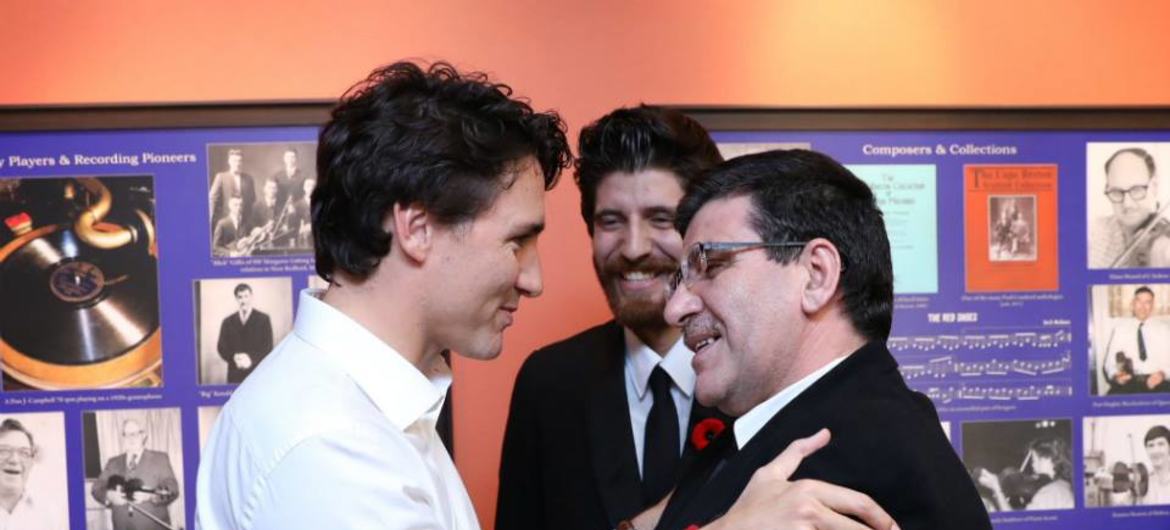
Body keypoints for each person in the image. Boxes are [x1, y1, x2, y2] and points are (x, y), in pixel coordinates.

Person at [196, 61, 896, 530]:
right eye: (516, 241)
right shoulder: (328, 446)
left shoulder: (372, 414)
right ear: (415, 228)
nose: (534, 277)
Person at [657, 149, 991, 530]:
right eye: (679, 279)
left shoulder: (850, 469)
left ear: (816, 275)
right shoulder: (798, 436)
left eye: (708, 263)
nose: (675, 308)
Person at [497, 105, 726, 530]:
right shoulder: (549, 384)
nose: (634, 247)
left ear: (703, 235)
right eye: (611, 221)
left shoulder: (759, 381)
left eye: (661, 219)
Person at [1089, 147, 1170, 268]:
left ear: (1154, 187)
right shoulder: (1095, 231)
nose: (1127, 204)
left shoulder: (1164, 246)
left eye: (1136, 190)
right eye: (1117, 191)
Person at [92, 418, 180, 530]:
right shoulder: (113, 462)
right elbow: (97, 488)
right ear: (123, 438)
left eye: (135, 433)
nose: (131, 438)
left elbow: (173, 489)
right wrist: (109, 496)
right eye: (127, 434)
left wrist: (151, 494)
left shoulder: (160, 459)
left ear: (143, 435)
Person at [1101, 286, 1170, 394]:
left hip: (1158, 382)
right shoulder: (1120, 329)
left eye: (1148, 302)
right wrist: (1116, 376)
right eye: (1139, 301)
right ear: (1132, 304)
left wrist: (1163, 374)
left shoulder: (1164, 329)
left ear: (1152, 306)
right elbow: (1109, 363)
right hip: (1129, 383)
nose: (1142, 306)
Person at [976, 437, 1074, 511]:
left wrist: (997, 489)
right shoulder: (1065, 486)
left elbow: (1016, 524)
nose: (1032, 464)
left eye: (1033, 459)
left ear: (1047, 459)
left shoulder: (1051, 492)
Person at [0, 418, 57, 530]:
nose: (14, 460)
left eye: (24, 453)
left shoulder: (48, 513)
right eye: (4, 451)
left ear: (31, 462)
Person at [215, 283, 274, 384]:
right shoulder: (227, 321)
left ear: (251, 297)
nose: (243, 300)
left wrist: (251, 359)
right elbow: (221, 347)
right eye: (240, 297)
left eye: (246, 296)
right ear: (236, 299)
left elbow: (268, 347)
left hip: (257, 373)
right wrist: (233, 357)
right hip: (234, 374)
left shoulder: (263, 319)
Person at [208, 148, 257, 226]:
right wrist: (212, 219)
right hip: (226, 220)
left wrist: (248, 220)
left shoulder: (248, 179)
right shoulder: (221, 177)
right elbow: (213, 199)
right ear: (229, 162)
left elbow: (252, 199)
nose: (237, 164)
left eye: (240, 161)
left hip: (244, 222)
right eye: (234, 161)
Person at [1140, 425, 1170, 505]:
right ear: (1146, 450)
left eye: (1161, 444)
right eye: (1151, 445)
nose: (1155, 451)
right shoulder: (1141, 483)